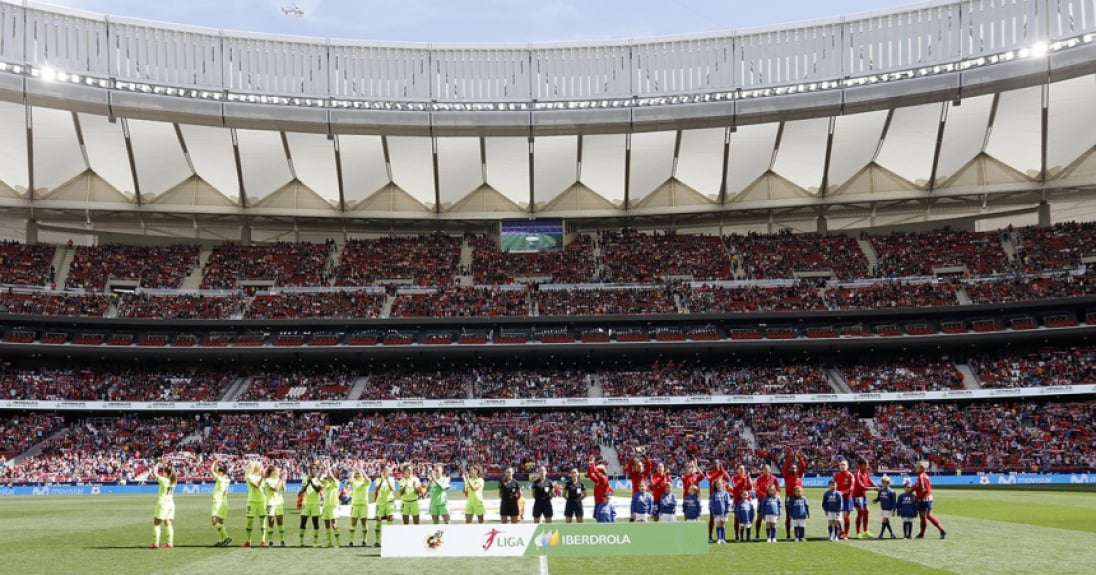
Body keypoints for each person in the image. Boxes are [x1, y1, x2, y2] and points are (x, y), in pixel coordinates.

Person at [912, 461, 947, 539]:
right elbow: (920, 487)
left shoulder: (921, 476)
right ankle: (941, 530)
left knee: (923, 517)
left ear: (921, 468)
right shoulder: (924, 476)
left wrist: (916, 497)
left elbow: (924, 490)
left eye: (917, 467)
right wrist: (913, 488)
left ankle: (922, 534)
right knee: (929, 516)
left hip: (924, 499)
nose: (916, 468)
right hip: (929, 498)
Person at [150, 460, 177, 549]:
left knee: (156, 523)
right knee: (168, 523)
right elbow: (172, 472)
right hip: (171, 504)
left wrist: (158, 463)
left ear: (166, 473)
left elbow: (154, 472)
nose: (162, 472)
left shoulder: (164, 480)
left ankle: (156, 543)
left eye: (163, 471)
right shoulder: (174, 481)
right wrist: (165, 465)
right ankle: (169, 543)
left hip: (163, 503)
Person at [782, 448, 806, 540]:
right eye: (791, 468)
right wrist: (790, 457)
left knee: (799, 516)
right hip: (789, 498)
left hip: (799, 498)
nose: (793, 469)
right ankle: (788, 534)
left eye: (794, 468)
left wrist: (799, 456)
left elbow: (803, 465)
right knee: (789, 517)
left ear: (797, 469)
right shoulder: (786, 475)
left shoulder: (799, 475)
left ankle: (800, 535)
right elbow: (785, 466)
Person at [298, 463, 323, 547]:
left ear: (317, 470)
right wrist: (307, 484)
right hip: (306, 503)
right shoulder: (305, 478)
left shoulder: (319, 479)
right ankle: (301, 541)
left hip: (316, 503)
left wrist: (311, 482)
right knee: (303, 522)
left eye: (314, 468)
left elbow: (318, 490)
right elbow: (302, 491)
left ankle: (315, 542)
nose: (313, 470)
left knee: (315, 522)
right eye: (311, 468)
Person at [853, 457, 879, 538]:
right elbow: (861, 487)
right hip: (857, 495)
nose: (868, 466)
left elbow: (869, 480)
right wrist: (874, 489)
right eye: (866, 464)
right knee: (860, 513)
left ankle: (866, 531)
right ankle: (858, 533)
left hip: (863, 495)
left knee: (866, 511)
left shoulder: (866, 472)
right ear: (862, 465)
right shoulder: (857, 474)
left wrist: (876, 486)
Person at [243, 460, 267, 547]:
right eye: (259, 465)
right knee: (249, 521)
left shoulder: (262, 477)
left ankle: (263, 541)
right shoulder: (249, 476)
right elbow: (256, 485)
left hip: (262, 500)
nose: (261, 466)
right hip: (251, 501)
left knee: (262, 521)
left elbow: (265, 487)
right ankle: (249, 541)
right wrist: (262, 478)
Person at [706, 459, 731, 542]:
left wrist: (722, 470)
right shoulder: (710, 472)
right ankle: (710, 536)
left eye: (718, 463)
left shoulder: (722, 472)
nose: (716, 464)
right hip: (713, 496)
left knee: (723, 518)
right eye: (715, 463)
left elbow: (728, 478)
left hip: (722, 496)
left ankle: (722, 537)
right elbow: (708, 478)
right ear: (713, 464)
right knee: (712, 517)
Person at [753, 463, 780, 539]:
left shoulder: (774, 479)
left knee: (772, 519)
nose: (766, 470)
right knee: (759, 518)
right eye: (765, 469)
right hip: (762, 501)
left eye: (768, 469)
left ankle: (772, 536)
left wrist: (775, 495)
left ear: (770, 470)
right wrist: (766, 496)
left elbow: (778, 489)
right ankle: (757, 534)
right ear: (762, 470)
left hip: (772, 501)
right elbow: (757, 490)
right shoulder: (759, 479)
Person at [372, 464, 397, 547]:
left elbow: (393, 489)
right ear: (382, 472)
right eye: (384, 471)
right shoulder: (378, 479)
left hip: (389, 502)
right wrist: (382, 480)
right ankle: (377, 541)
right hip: (380, 503)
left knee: (390, 519)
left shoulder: (392, 479)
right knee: (378, 521)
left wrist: (387, 480)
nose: (386, 472)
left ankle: (390, 540)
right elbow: (376, 489)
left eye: (387, 471)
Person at [209, 458, 232, 547]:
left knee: (214, 521)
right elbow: (215, 470)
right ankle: (222, 540)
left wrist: (215, 462)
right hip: (224, 503)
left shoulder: (220, 479)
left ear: (221, 472)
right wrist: (218, 464)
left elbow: (211, 470)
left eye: (218, 471)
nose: (217, 472)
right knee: (221, 523)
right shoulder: (227, 479)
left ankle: (226, 537)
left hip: (217, 502)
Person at [347, 467, 371, 546]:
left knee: (364, 523)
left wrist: (362, 470)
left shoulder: (365, 482)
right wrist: (353, 471)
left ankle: (364, 540)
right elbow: (349, 481)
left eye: (358, 473)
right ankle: (351, 541)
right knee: (353, 523)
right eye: (356, 473)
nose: (357, 474)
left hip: (364, 504)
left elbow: (368, 480)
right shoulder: (354, 481)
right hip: (355, 505)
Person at [264, 465, 287, 547]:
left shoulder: (278, 479)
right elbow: (276, 489)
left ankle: (282, 540)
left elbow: (284, 489)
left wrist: (282, 480)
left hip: (279, 502)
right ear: (272, 472)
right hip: (270, 503)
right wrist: (281, 479)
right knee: (271, 522)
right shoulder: (267, 480)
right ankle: (270, 541)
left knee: (280, 522)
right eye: (277, 470)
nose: (278, 472)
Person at [729, 464, 753, 543]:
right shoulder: (735, 478)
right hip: (738, 500)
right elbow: (736, 487)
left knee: (747, 518)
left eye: (743, 469)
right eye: (740, 469)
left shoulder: (747, 477)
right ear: (737, 470)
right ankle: (737, 536)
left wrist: (746, 480)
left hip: (747, 500)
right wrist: (744, 481)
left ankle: (748, 537)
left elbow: (750, 487)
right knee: (737, 519)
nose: (742, 470)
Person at [833, 459, 855, 540]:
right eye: (841, 465)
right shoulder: (837, 475)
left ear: (847, 466)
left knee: (846, 517)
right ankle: (841, 531)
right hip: (838, 499)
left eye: (844, 465)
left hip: (847, 499)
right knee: (836, 517)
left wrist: (842, 492)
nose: (842, 466)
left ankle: (846, 534)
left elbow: (851, 488)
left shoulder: (850, 476)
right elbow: (833, 486)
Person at [321, 464, 343, 548]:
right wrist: (323, 469)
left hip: (333, 506)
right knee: (326, 524)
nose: (331, 474)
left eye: (333, 472)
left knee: (334, 524)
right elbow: (322, 479)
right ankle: (329, 542)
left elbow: (330, 475)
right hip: (326, 505)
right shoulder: (327, 482)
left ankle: (338, 542)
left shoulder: (336, 482)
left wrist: (327, 467)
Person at [587, 456, 614, 523]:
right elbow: (590, 474)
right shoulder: (598, 480)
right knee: (598, 521)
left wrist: (592, 463)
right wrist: (590, 465)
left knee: (603, 521)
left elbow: (595, 472)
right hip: (597, 502)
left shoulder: (604, 478)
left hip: (603, 503)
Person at [874, 475, 898, 539]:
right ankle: (892, 534)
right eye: (882, 482)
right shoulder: (881, 490)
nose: (883, 483)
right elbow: (879, 498)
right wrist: (876, 500)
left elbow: (894, 502)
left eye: (884, 482)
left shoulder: (892, 492)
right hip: (883, 508)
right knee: (886, 521)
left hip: (888, 509)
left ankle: (881, 534)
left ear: (888, 483)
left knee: (884, 520)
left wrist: (893, 510)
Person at [708, 479, 731, 544]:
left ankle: (723, 539)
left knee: (723, 525)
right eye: (717, 484)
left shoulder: (726, 493)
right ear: (715, 485)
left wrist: (727, 511)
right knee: (718, 525)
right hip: (716, 512)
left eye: (720, 484)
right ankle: (719, 539)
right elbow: (712, 504)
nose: (718, 485)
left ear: (722, 484)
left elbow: (728, 503)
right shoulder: (714, 494)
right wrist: (713, 512)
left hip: (724, 512)